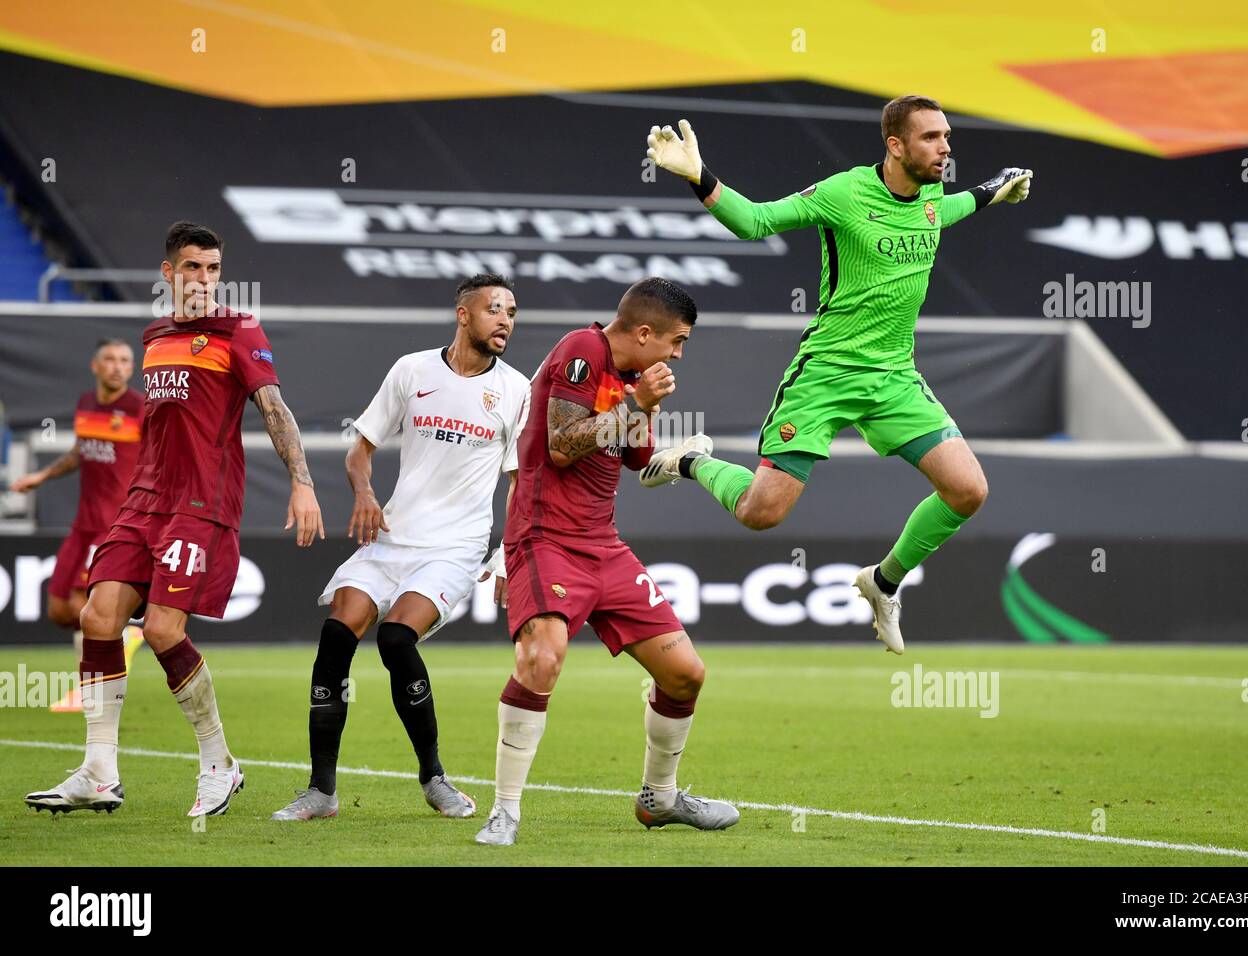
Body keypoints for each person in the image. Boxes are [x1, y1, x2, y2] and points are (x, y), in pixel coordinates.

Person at [642, 95, 1034, 654]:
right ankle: (691, 460)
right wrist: (697, 176)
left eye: (947, 136)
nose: (945, 148)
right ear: (895, 145)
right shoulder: (844, 193)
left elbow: (960, 204)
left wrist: (1001, 185)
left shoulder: (933, 197)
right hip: (825, 374)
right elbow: (756, 222)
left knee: (968, 490)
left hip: (895, 379)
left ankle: (883, 582)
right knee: (761, 513)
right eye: (931, 138)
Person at [25, 220, 324, 817]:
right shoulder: (155, 335)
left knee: (162, 630)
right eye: (192, 267)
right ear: (169, 273)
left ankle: (220, 763)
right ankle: (99, 771)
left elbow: (274, 406)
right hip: (143, 502)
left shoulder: (239, 329)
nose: (204, 280)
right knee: (97, 615)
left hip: (200, 505)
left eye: (213, 269)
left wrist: (302, 482)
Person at [475, 277, 740, 847]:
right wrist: (638, 402)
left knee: (686, 673)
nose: (677, 354)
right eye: (677, 341)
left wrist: (679, 455)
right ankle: (504, 811)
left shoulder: (627, 378)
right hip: (545, 540)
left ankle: (660, 800)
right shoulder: (582, 350)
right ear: (644, 332)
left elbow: (637, 460)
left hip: (603, 545)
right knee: (542, 660)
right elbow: (561, 445)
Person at [272, 274, 530, 822]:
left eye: (511, 311)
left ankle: (434, 777)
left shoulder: (517, 390)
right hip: (392, 536)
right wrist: (364, 493)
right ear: (464, 315)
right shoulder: (411, 370)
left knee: (394, 638)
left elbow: (523, 484)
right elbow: (358, 452)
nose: (505, 320)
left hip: (455, 546)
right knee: (337, 634)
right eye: (494, 309)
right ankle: (321, 791)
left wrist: (508, 555)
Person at [9, 339, 146, 711]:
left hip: (114, 524)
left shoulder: (139, 408)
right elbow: (81, 450)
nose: (118, 367)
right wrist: (44, 475)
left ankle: (88, 693)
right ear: (95, 365)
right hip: (82, 523)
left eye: (124, 361)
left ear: (131, 368)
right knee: (59, 608)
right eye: (110, 360)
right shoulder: (86, 404)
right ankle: (125, 638)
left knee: (81, 602)